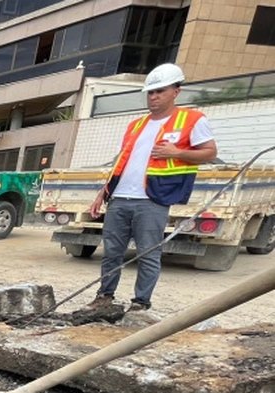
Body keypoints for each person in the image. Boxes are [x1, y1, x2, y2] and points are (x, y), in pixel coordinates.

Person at [87, 63, 217, 312]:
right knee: (112, 252)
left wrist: (176, 152)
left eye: (160, 91)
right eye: (151, 92)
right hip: (120, 197)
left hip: (153, 199)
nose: (154, 96)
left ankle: (140, 303)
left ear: (176, 92)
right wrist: (103, 192)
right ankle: (104, 297)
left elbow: (210, 152)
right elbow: (121, 161)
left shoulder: (190, 120)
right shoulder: (136, 125)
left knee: (148, 253)